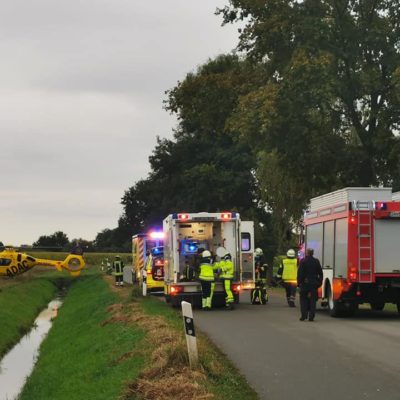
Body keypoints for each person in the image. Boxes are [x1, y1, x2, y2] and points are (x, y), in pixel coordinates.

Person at [297, 248, 323, 321]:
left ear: (307, 253)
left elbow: (300, 273)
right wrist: (319, 283)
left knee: (303, 300)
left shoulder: (303, 261)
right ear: (312, 253)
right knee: (312, 300)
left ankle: (303, 315)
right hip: (314, 283)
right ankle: (311, 317)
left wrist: (299, 283)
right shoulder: (316, 261)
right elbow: (320, 273)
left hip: (305, 283)